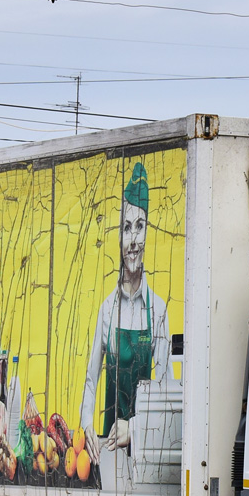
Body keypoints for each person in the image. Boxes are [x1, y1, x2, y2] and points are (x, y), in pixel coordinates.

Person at [80, 161, 171, 460]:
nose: (133, 240)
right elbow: (92, 379)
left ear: (148, 234)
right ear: (118, 238)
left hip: (145, 447)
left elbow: (166, 389)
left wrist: (134, 427)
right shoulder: (107, 309)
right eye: (126, 228)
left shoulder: (158, 310)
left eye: (140, 227)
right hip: (106, 447)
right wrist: (86, 425)